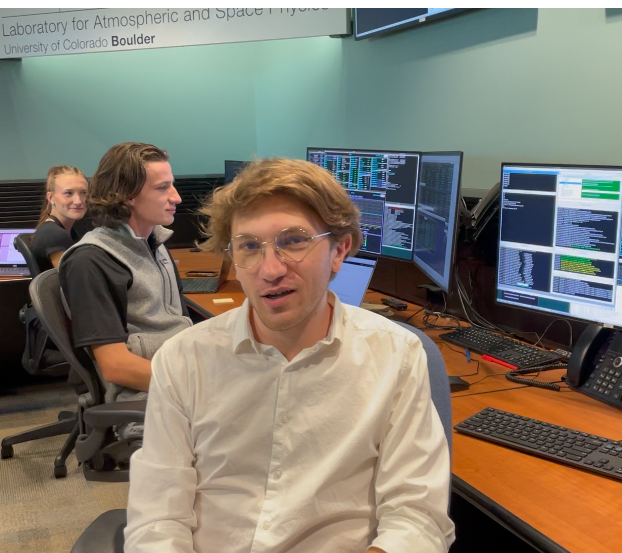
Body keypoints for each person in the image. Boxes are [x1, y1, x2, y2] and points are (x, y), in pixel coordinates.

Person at [124, 159, 455, 552]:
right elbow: (158, 518)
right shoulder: (183, 359)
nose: (270, 269)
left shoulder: (395, 356)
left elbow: (416, 514)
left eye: (294, 241)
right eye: (249, 246)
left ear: (339, 250)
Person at [59, 142, 192, 404]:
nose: (176, 197)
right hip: (145, 395)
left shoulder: (156, 243)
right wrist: (197, 385)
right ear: (126, 194)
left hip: (178, 371)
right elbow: (116, 367)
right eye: (163, 187)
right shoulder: (91, 260)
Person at [30, 165, 88, 271]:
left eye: (83, 193)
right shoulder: (52, 234)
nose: (78, 201)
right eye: (68, 193)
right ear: (50, 197)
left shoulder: (67, 231)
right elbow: (73, 278)